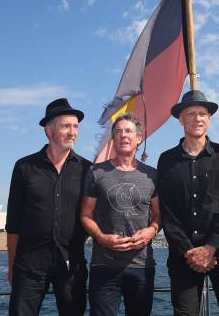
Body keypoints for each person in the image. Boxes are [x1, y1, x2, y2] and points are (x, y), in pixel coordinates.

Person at [158, 90, 219, 316]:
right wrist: (189, 251)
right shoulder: (166, 160)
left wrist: (210, 248)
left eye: (202, 114)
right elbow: (168, 213)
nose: (197, 118)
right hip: (183, 257)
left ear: (209, 119)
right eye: (191, 113)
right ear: (181, 119)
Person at [6, 98, 92, 316]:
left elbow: (90, 215)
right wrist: (12, 265)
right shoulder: (24, 167)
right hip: (29, 266)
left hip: (72, 265)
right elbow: (13, 222)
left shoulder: (87, 169)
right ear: (49, 130)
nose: (72, 132)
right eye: (66, 126)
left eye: (76, 127)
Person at [80, 113, 160, 316]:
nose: (123, 135)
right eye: (118, 131)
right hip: (104, 265)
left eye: (129, 131)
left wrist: (151, 231)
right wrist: (101, 237)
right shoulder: (96, 173)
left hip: (141, 266)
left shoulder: (152, 175)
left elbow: (159, 214)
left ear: (139, 138)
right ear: (113, 138)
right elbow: (85, 214)